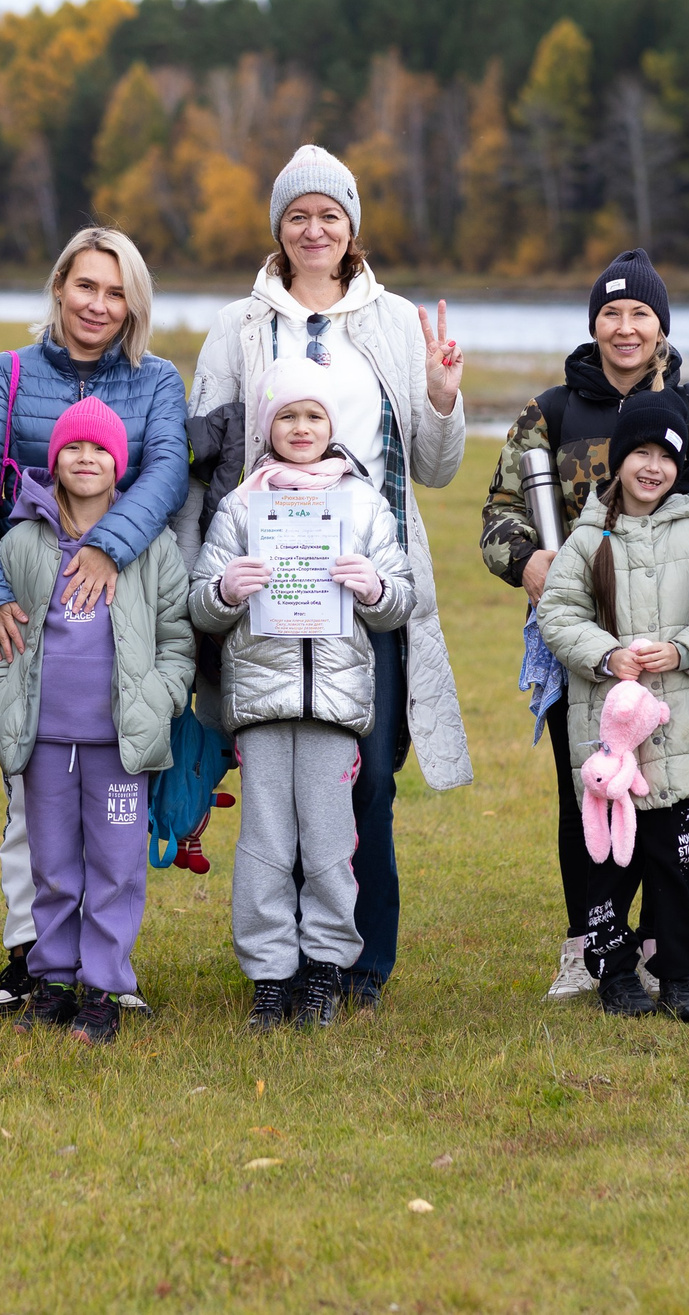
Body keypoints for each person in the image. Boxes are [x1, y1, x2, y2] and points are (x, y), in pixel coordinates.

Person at [181, 145, 469, 1011]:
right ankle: (282, 960)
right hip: (267, 584)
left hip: (362, 583)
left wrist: (446, 395)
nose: (314, 229)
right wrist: (208, 582)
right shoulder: (238, 323)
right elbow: (205, 451)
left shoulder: (392, 320)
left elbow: (435, 463)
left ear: (352, 229)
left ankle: (357, 961)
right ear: (279, 228)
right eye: (298, 215)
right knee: (273, 780)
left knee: (366, 773)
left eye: (330, 215)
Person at [477, 248, 689, 1002]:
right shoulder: (552, 410)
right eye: (611, 312)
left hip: (671, 648)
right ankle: (593, 946)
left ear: (660, 324)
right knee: (590, 794)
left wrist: (682, 588)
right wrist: (533, 563)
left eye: (640, 313)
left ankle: (667, 954)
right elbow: (498, 514)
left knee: (670, 802)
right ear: (594, 323)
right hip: (583, 645)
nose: (625, 327)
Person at [0, 226, 188, 1015]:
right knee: (36, 809)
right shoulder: (6, 375)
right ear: (58, 286)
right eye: (87, 285)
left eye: (117, 293)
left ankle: (103, 972)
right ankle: (36, 962)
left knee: (107, 827)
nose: (99, 304)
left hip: (123, 609)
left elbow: (167, 474)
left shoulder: (154, 382)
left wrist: (113, 546)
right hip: (31, 603)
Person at [190, 361, 416, 1030]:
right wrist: (230, 588)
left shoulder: (363, 504)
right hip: (262, 702)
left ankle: (324, 965)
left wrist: (372, 586)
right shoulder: (241, 506)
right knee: (264, 840)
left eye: (313, 416)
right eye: (287, 416)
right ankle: (270, 974)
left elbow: (401, 599)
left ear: (332, 428)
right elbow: (202, 603)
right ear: (268, 427)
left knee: (327, 839)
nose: (300, 427)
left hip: (335, 706)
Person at [0, 397, 196, 1046]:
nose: (85, 458)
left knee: (115, 866)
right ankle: (51, 981)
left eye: (100, 449)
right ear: (53, 459)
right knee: (51, 864)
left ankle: (104, 985)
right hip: (45, 742)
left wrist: (160, 696)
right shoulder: (21, 543)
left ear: (119, 464)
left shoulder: (149, 547)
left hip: (118, 746)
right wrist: (1, 702)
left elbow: (177, 640)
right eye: (73, 447)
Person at [535, 392, 689, 1021]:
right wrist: (606, 656)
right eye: (640, 453)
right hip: (612, 740)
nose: (651, 467)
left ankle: (678, 973)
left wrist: (683, 651)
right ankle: (612, 970)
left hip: (678, 733)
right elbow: (558, 612)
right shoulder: (587, 537)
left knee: (676, 860)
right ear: (620, 460)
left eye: (665, 455)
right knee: (607, 857)